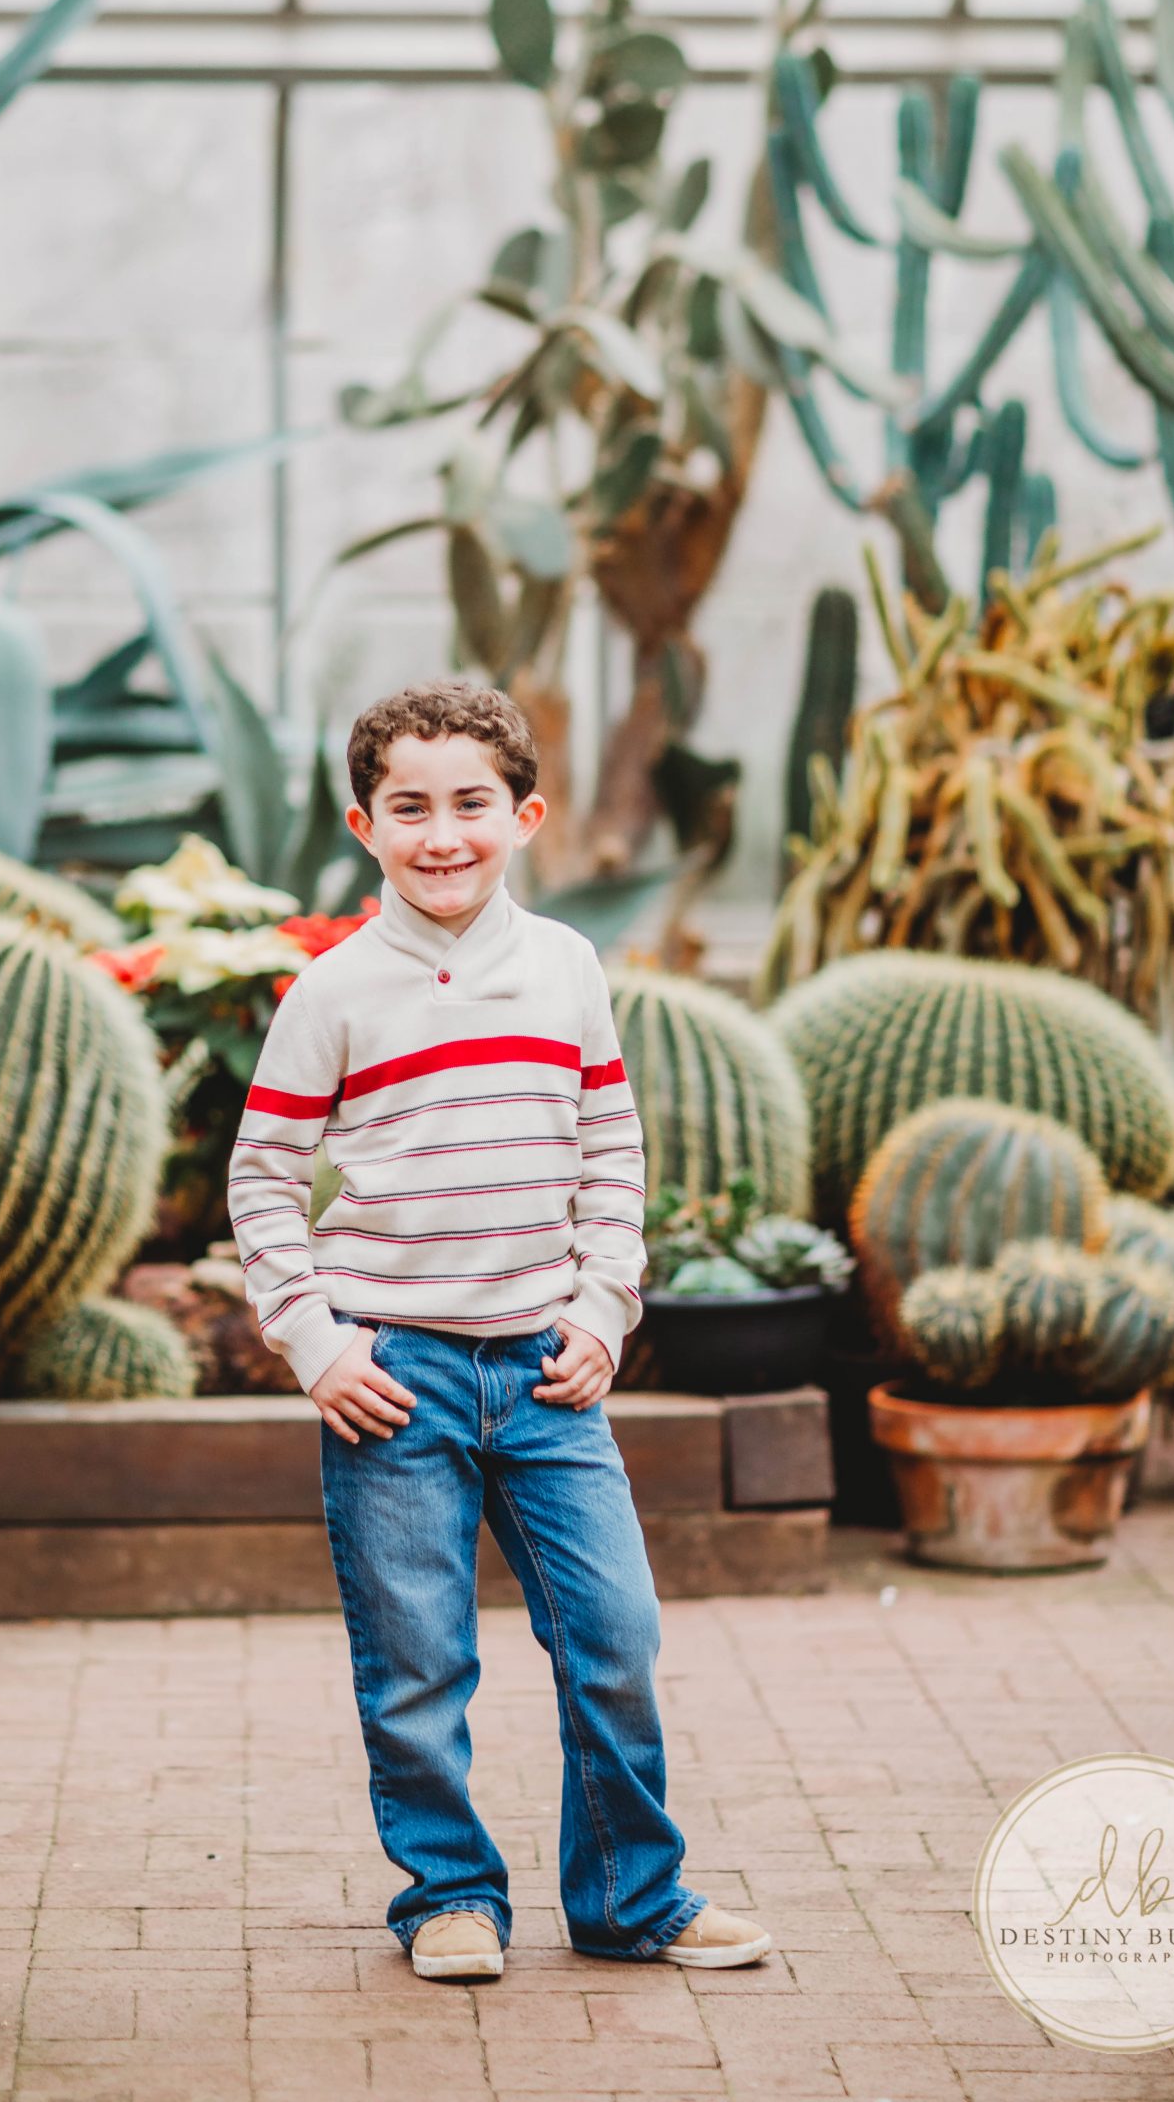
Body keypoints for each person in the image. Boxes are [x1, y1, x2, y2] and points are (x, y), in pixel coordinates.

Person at [228, 678, 774, 1983]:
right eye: (407, 808)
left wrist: (602, 1304)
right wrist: (318, 1344)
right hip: (394, 1378)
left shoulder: (567, 970)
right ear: (363, 824)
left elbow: (608, 1154)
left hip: (547, 1373)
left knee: (618, 1641)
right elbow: (261, 1178)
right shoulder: (334, 992)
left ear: (525, 814)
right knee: (418, 1662)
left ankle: (631, 1898)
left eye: (471, 803)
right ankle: (449, 1896)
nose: (442, 834)